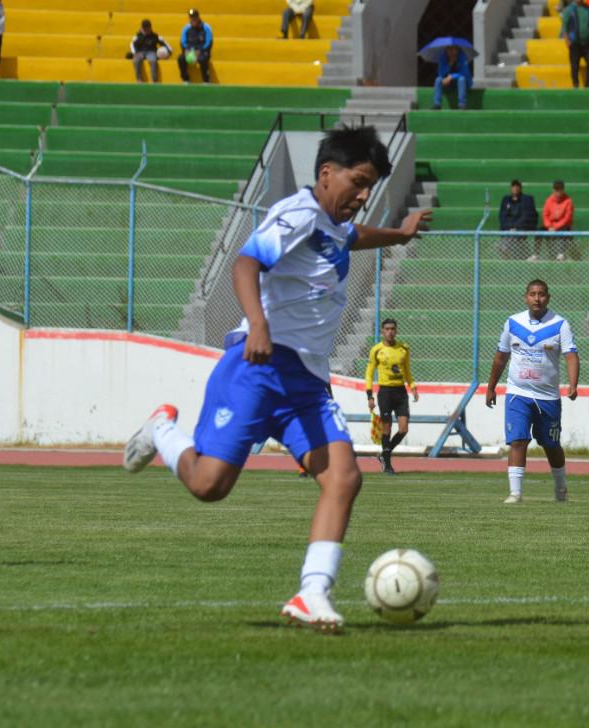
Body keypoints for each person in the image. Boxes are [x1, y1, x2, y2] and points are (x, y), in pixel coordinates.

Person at [121, 126, 432, 632]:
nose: (363, 195)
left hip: (305, 385)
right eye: (358, 182)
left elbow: (354, 237)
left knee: (344, 477)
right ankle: (162, 430)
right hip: (256, 368)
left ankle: (312, 593)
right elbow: (246, 263)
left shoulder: (333, 225)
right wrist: (258, 324)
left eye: (370, 186)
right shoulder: (298, 213)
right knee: (208, 486)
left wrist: (400, 234)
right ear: (326, 174)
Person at [485, 279, 580, 504]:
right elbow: (500, 357)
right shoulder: (512, 323)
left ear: (548, 297)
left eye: (542, 294)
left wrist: (573, 383)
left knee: (551, 445)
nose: (537, 298)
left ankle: (561, 489)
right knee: (518, 440)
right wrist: (491, 387)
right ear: (525, 297)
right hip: (518, 393)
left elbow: (571, 355)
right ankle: (515, 493)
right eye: (533, 294)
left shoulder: (560, 324)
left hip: (548, 396)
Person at [365, 319, 419, 476]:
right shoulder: (376, 350)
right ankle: (387, 464)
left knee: (403, 429)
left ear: (396, 331)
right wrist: (370, 396)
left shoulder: (403, 348)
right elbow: (369, 373)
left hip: (401, 392)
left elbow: (407, 370)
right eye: (387, 329)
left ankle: (384, 454)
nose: (390, 331)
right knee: (387, 427)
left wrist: (413, 387)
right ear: (382, 331)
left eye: (393, 329)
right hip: (385, 392)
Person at [498, 179, 538, 259]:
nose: (515, 188)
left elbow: (527, 216)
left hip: (524, 226)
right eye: (513, 186)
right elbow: (502, 216)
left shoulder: (527, 199)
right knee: (512, 233)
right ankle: (526, 256)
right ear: (511, 188)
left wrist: (515, 227)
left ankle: (504, 247)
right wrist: (510, 227)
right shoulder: (506, 200)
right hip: (509, 227)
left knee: (515, 233)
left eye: (517, 186)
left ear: (520, 188)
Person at [563, 0, 589, 88]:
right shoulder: (569, 10)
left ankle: (588, 84)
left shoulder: (588, 9)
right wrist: (567, 41)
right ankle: (576, 85)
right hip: (575, 43)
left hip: (588, 43)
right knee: (574, 66)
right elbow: (565, 27)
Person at [539, 180, 574, 262]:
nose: (558, 192)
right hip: (550, 226)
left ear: (563, 190)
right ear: (553, 190)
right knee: (539, 230)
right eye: (556, 190)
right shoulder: (549, 200)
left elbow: (567, 218)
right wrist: (549, 226)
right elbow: (545, 215)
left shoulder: (568, 201)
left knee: (565, 230)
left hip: (563, 226)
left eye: (560, 189)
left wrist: (555, 227)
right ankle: (536, 254)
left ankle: (561, 254)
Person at [129, 19, 173, 83]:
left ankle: (154, 80)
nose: (147, 30)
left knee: (153, 60)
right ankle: (139, 79)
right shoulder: (137, 36)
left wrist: (169, 51)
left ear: (150, 28)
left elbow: (165, 44)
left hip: (151, 52)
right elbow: (132, 44)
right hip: (140, 52)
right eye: (145, 29)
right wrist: (134, 53)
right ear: (142, 28)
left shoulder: (155, 36)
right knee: (136, 60)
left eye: (148, 28)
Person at [178, 9, 213, 84]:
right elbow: (183, 42)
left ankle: (206, 80)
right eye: (191, 17)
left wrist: (200, 51)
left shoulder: (206, 27)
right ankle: (186, 79)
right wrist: (186, 50)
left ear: (198, 17)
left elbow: (209, 42)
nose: (193, 19)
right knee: (181, 58)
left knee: (203, 59)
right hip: (190, 50)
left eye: (194, 17)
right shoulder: (186, 28)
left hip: (202, 50)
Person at [433, 44, 473, 109]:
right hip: (448, 84)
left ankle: (462, 104)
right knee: (438, 79)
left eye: (453, 49)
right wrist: (449, 64)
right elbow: (441, 73)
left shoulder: (462, 57)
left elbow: (465, 73)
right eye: (448, 49)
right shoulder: (443, 57)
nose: (450, 51)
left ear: (457, 50)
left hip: (462, 84)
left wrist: (451, 76)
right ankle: (437, 104)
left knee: (462, 79)